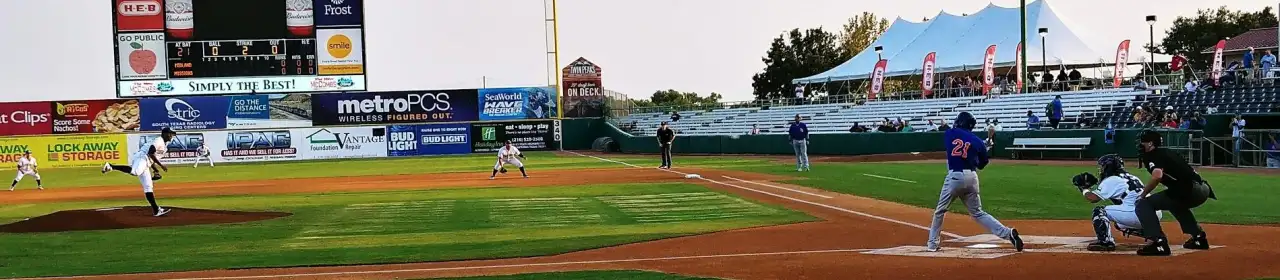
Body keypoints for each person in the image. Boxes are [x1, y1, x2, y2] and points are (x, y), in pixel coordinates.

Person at [926, 112, 1024, 252]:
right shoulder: (977, 141)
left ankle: (932, 244)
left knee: (940, 211)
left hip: (955, 176)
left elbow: (961, 144)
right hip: (972, 178)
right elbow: (981, 164)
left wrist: (982, 146)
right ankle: (1008, 233)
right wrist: (985, 146)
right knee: (978, 213)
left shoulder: (950, 133)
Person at [1134, 130, 1216, 256]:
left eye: (1143, 142)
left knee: (1143, 204)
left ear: (1150, 143)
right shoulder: (1167, 151)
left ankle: (1158, 242)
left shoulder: (1153, 155)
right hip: (1203, 188)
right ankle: (1199, 238)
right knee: (1174, 202)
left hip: (1190, 189)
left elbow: (1157, 176)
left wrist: (1143, 194)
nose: (1140, 145)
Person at [1071, 155, 1162, 251]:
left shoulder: (1111, 180)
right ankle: (1155, 235)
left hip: (1137, 214)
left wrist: (1084, 189)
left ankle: (1105, 242)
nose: (1100, 169)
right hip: (1154, 213)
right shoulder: (1132, 177)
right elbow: (1119, 199)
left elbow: (1093, 198)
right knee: (1119, 224)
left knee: (1099, 211)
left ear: (1108, 167)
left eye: (1102, 166)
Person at [102, 127, 178, 217]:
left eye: (172, 134)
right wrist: (161, 166)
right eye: (170, 133)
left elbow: (151, 159)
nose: (171, 136)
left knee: (148, 187)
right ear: (164, 134)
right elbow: (150, 153)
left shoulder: (164, 146)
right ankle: (111, 166)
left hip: (146, 162)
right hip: (142, 157)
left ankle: (156, 210)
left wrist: (156, 170)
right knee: (135, 172)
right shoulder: (159, 141)